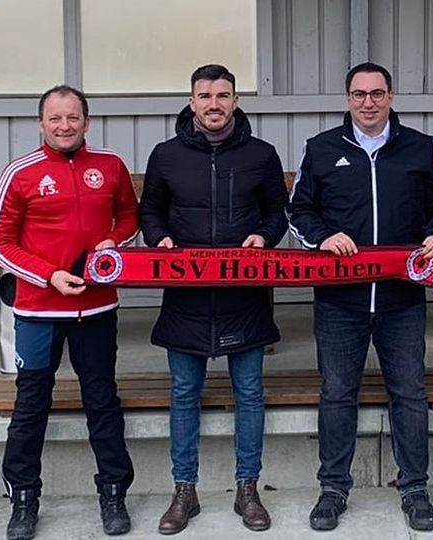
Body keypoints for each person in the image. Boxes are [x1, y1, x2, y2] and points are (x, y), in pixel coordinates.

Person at [288, 62, 433, 532]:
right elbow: (299, 209)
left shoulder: (420, 149)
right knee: (338, 394)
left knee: (410, 394)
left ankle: (416, 487)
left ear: (391, 97)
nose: (368, 102)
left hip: (402, 300)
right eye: (359, 94)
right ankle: (334, 488)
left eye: (377, 94)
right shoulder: (321, 150)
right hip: (341, 301)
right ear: (347, 99)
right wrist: (322, 236)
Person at [138, 64, 288, 535]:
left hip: (245, 295)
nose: (214, 104)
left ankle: (248, 489)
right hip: (185, 295)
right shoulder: (166, 155)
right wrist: (159, 239)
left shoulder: (262, 155)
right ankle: (185, 490)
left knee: (249, 395)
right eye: (205, 95)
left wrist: (264, 238)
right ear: (191, 101)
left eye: (223, 95)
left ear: (236, 100)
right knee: (183, 396)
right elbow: (150, 209)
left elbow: (276, 213)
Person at [0, 85, 138, 540]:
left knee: (102, 401)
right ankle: (24, 500)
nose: (65, 126)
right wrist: (48, 275)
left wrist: (115, 240)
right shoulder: (21, 172)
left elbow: (129, 217)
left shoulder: (109, 166)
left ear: (87, 122)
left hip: (96, 308)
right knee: (31, 405)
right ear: (41, 123)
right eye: (55, 118)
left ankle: (113, 494)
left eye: (73, 118)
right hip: (37, 312)